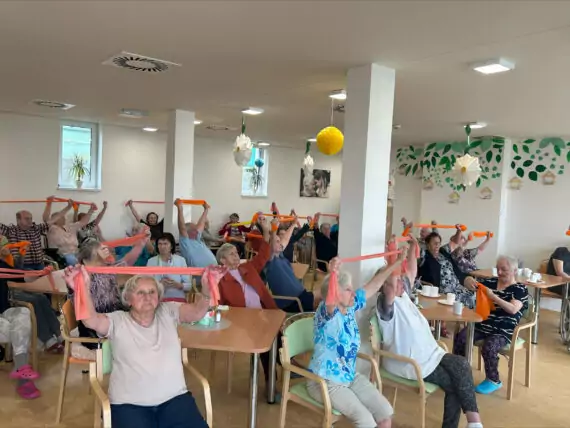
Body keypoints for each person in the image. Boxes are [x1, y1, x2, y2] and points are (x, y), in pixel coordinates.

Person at [63, 267, 219, 428]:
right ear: (128, 298)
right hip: (129, 404)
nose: (147, 297)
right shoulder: (117, 320)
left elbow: (196, 312)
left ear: (158, 297)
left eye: (152, 292)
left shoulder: (169, 311)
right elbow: (91, 320)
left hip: (175, 399)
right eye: (140, 293)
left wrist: (207, 288)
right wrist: (82, 288)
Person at [376, 235, 483, 428]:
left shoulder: (403, 295)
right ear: (384, 285)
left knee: (461, 364)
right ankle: (472, 423)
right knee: (456, 383)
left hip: (430, 354)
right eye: (396, 280)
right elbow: (391, 282)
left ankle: (474, 422)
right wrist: (393, 255)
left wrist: (412, 247)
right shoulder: (386, 305)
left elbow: (411, 271)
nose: (401, 282)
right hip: (409, 362)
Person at [307, 255, 402, 428]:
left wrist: (396, 263)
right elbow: (330, 302)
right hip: (325, 382)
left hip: (349, 376)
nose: (353, 293)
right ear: (336, 293)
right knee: (366, 421)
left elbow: (374, 285)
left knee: (385, 413)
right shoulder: (327, 314)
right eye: (348, 290)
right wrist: (333, 274)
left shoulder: (349, 307)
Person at [216, 215, 279, 384]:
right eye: (231, 254)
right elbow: (219, 306)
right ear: (222, 260)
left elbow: (264, 255)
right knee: (266, 338)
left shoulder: (247, 267)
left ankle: (282, 363)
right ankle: (272, 380)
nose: (236, 256)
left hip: (264, 312)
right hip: (242, 321)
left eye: (237, 253)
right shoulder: (220, 279)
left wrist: (266, 231)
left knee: (279, 334)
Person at [454, 255, 529, 395]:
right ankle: (458, 373)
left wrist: (493, 297)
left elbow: (513, 309)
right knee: (461, 338)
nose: (499, 272)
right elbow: (469, 281)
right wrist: (468, 280)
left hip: (502, 330)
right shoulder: (490, 282)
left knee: (489, 346)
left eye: (504, 269)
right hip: (482, 325)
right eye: (498, 268)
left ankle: (494, 380)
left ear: (514, 271)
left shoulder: (520, 289)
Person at [71, 232, 150, 351]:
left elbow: (126, 262)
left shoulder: (106, 268)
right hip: (94, 329)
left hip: (113, 319)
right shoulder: (80, 274)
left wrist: (140, 244)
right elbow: (89, 311)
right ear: (86, 259)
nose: (105, 250)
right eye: (98, 250)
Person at [0, 235, 64, 353]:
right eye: (3, 246)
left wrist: (22, 254)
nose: (7, 248)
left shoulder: (8, 258)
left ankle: (58, 333)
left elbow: (18, 270)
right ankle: (48, 339)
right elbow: (8, 282)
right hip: (7, 293)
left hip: (17, 288)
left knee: (42, 297)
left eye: (7, 245)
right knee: (34, 301)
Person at [0, 259, 41, 399]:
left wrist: (41, 273)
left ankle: (21, 368)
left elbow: (22, 277)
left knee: (23, 312)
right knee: (14, 330)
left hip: (5, 312)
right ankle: (24, 379)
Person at [0, 196, 68, 270]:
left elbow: (55, 219)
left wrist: (68, 206)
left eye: (31, 218)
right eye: (27, 219)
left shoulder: (36, 228)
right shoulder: (11, 230)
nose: (30, 221)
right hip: (23, 267)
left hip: (40, 265)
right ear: (18, 220)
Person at [265, 217, 314, 312]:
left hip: (300, 296)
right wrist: (274, 230)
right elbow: (271, 245)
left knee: (324, 296)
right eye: (277, 241)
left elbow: (286, 238)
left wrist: (294, 224)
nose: (280, 243)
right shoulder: (270, 259)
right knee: (324, 298)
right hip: (292, 302)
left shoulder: (280, 254)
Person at [419, 232, 475, 309]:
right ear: (428, 245)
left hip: (456, 286)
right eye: (434, 243)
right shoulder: (424, 256)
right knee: (463, 299)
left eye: (438, 243)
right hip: (443, 291)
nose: (437, 245)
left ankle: (468, 316)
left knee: (472, 295)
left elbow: (455, 242)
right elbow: (415, 248)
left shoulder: (443, 252)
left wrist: (459, 231)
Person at [48, 201, 96, 266]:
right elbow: (47, 220)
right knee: (72, 259)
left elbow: (83, 222)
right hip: (63, 255)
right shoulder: (52, 228)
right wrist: (68, 207)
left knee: (91, 254)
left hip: (77, 252)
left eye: (63, 216)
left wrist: (91, 210)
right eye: (61, 217)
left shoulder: (70, 226)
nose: (64, 218)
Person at [146, 233, 191, 303]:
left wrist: (179, 285)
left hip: (177, 299)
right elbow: (146, 285)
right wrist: (159, 285)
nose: (162, 246)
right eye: (160, 244)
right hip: (157, 299)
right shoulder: (151, 261)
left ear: (171, 246)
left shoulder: (181, 260)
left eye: (165, 244)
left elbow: (189, 286)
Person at [175, 200, 217, 270]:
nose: (197, 230)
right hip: (198, 273)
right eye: (193, 229)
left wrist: (206, 209)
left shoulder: (197, 238)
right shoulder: (186, 242)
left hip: (213, 271)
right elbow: (182, 227)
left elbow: (201, 223)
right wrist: (179, 208)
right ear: (187, 232)